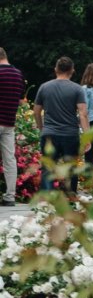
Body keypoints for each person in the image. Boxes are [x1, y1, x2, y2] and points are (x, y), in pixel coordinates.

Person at [34, 57, 88, 197]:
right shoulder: (77, 89)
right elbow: (83, 114)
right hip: (70, 134)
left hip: (49, 133)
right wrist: (87, 136)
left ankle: (47, 199)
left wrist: (41, 128)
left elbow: (36, 111)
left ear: (56, 69)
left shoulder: (44, 87)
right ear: (72, 70)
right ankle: (70, 197)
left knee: (48, 167)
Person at [0, 49, 25, 206]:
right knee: (10, 160)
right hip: (9, 123)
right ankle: (10, 196)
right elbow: (21, 99)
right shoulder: (18, 74)